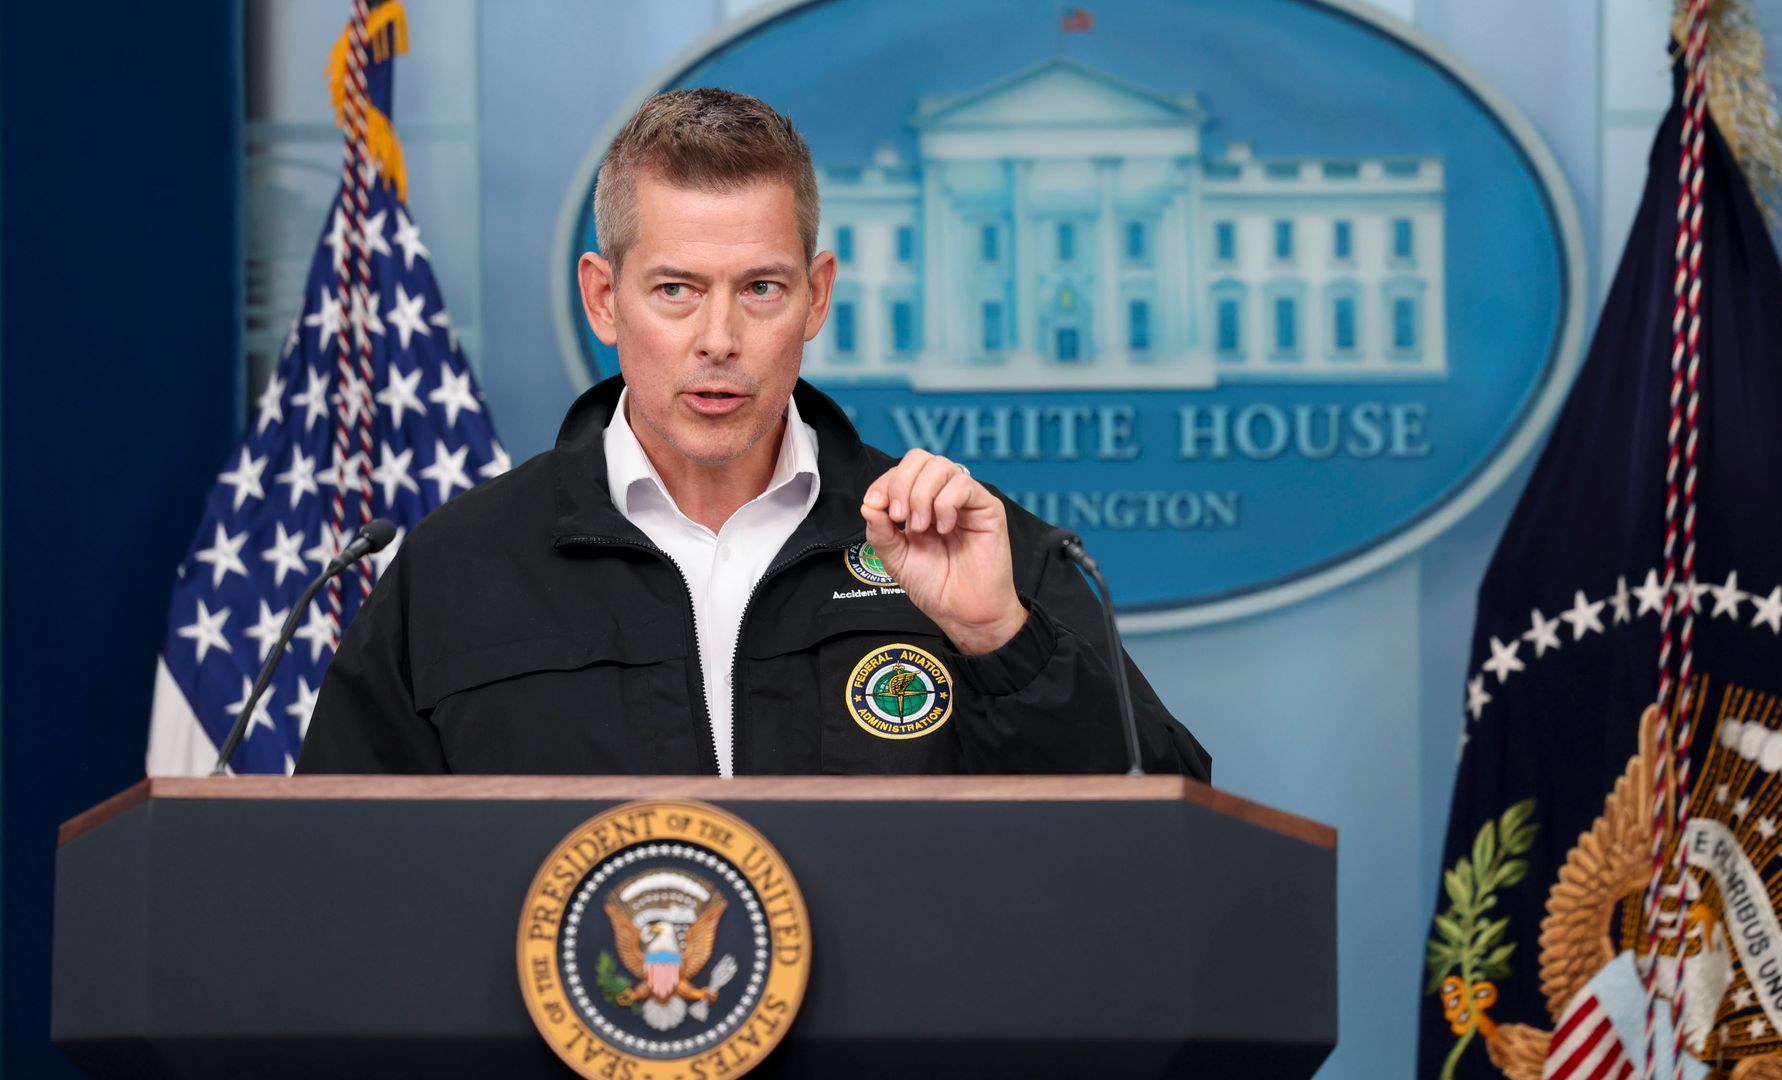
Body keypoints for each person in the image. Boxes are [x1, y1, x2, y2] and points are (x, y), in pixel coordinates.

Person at [297, 88, 1209, 778]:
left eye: (761, 290)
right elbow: (339, 880)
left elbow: (1161, 826)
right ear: (603, 299)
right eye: (676, 290)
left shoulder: (967, 542)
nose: (720, 340)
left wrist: (1000, 640)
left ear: (816, 297)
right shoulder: (459, 568)